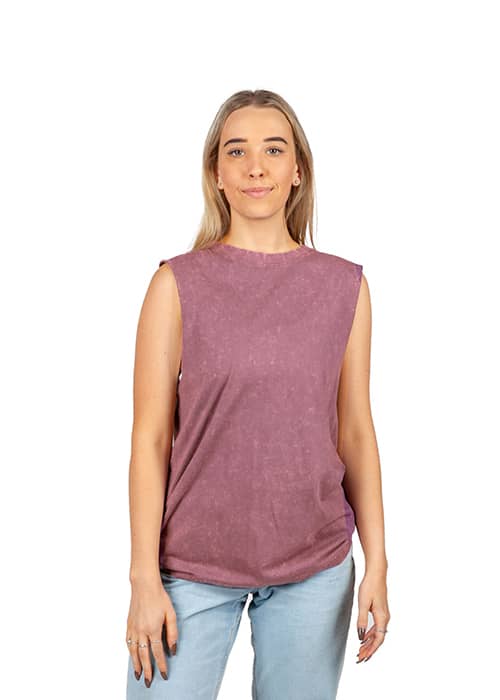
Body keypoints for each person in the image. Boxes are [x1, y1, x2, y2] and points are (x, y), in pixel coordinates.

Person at [125, 89, 390, 699]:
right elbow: (150, 439)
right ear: (216, 173)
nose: (255, 167)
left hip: (314, 566)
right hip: (190, 566)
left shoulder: (344, 287)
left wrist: (377, 560)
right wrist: (143, 577)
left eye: (273, 150)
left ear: (297, 170)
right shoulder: (175, 284)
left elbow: (355, 431)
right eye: (236, 151)